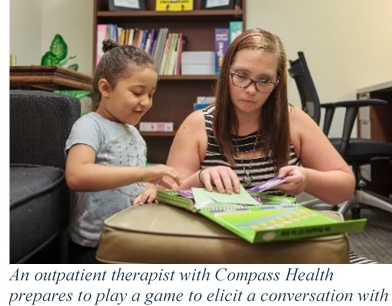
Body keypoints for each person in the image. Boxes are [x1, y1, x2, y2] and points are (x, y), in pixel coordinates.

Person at [165, 28, 355, 205]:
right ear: (226, 72)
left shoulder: (293, 120)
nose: (250, 90)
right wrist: (198, 178)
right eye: (241, 75)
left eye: (264, 81)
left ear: (277, 83)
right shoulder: (197, 124)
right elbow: (167, 196)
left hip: (274, 231)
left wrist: (307, 179)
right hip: (217, 233)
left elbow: (345, 188)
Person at [65, 40, 182, 263]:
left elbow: (137, 180)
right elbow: (76, 175)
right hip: (95, 246)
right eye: (138, 92)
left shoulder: (134, 133)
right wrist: (145, 174)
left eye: (151, 94)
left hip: (130, 235)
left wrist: (149, 187)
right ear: (105, 88)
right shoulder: (90, 125)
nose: (146, 102)